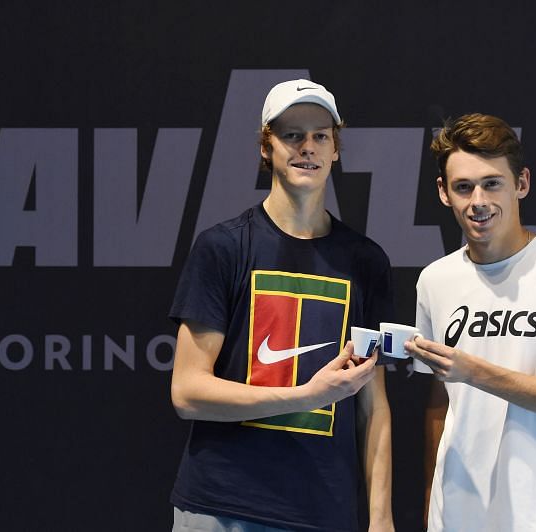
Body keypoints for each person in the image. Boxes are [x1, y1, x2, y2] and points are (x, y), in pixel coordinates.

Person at [169, 79, 395, 532]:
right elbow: (188, 392)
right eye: (292, 135)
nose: (306, 147)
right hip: (222, 508)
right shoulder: (223, 247)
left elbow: (373, 405)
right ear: (266, 147)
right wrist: (307, 396)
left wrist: (381, 519)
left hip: (322, 512)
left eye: (320, 136)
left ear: (335, 150)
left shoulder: (365, 261)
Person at [406, 113, 536, 531]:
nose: (478, 201)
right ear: (443, 192)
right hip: (457, 518)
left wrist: (475, 371)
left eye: (492, 183)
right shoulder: (435, 280)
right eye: (463, 187)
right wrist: (434, 503)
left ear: (521, 183)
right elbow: (440, 404)